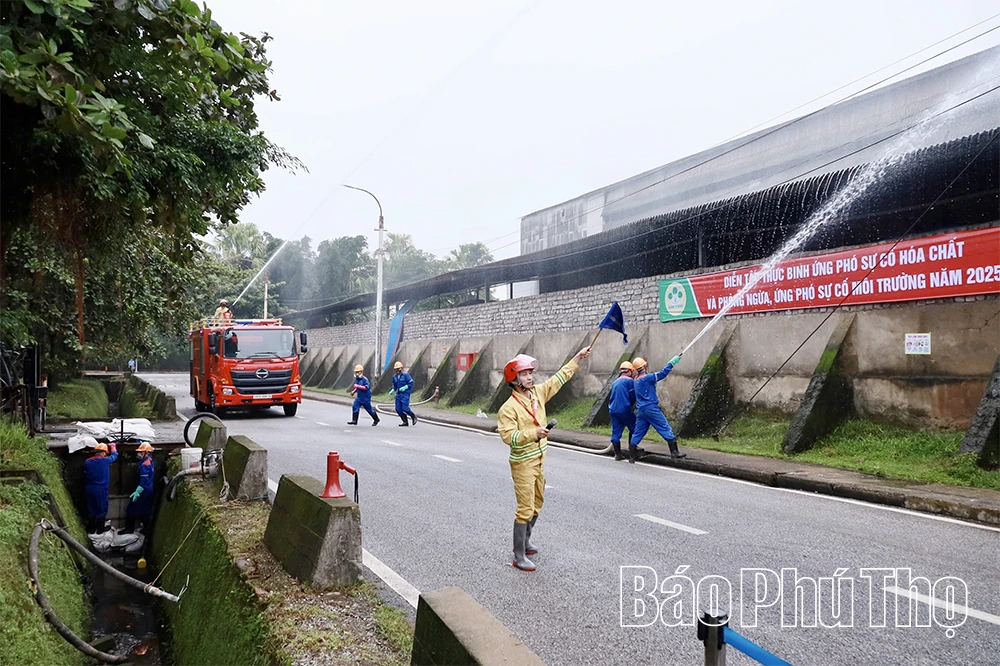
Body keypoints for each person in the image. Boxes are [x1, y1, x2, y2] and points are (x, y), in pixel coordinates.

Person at [497, 346, 592, 572]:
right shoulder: (508, 408)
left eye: (530, 373)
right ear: (514, 379)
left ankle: (526, 542)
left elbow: (559, 378)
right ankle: (518, 555)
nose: (529, 377)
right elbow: (509, 437)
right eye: (524, 374)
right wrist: (534, 433)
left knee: (538, 503)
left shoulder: (538, 393)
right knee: (525, 508)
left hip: (539, 460)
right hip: (522, 464)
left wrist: (577, 358)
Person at [629, 355, 687, 463]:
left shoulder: (635, 380)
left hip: (641, 410)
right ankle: (674, 452)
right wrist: (671, 363)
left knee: (638, 432)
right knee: (664, 427)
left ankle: (632, 456)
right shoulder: (647, 378)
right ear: (644, 366)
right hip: (651, 408)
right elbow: (662, 374)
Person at [84, 442, 118, 534]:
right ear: (103, 453)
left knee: (91, 508)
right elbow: (114, 456)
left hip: (89, 488)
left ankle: (91, 529)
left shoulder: (87, 462)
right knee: (101, 508)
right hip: (100, 489)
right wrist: (113, 446)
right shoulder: (105, 460)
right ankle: (100, 529)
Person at [609, 361, 636, 461]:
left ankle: (618, 455)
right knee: (634, 428)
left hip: (613, 410)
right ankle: (632, 455)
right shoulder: (630, 381)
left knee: (616, 433)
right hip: (624, 409)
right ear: (629, 371)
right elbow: (633, 396)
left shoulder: (615, 381)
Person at [125, 442, 155, 534]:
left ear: (146, 453)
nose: (139, 454)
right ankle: (145, 529)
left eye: (141, 452)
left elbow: (143, 481)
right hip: (149, 489)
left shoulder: (144, 466)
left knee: (131, 509)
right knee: (146, 510)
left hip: (143, 491)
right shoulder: (150, 460)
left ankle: (129, 529)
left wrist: (137, 492)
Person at [389, 361, 417, 426]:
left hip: (405, 394)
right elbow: (395, 385)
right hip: (399, 394)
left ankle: (413, 416)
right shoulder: (394, 377)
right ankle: (405, 421)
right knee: (398, 409)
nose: (398, 370)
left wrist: (406, 387)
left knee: (405, 408)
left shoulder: (405, 375)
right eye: (396, 369)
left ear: (401, 368)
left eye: (399, 368)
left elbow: (411, 382)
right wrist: (393, 390)